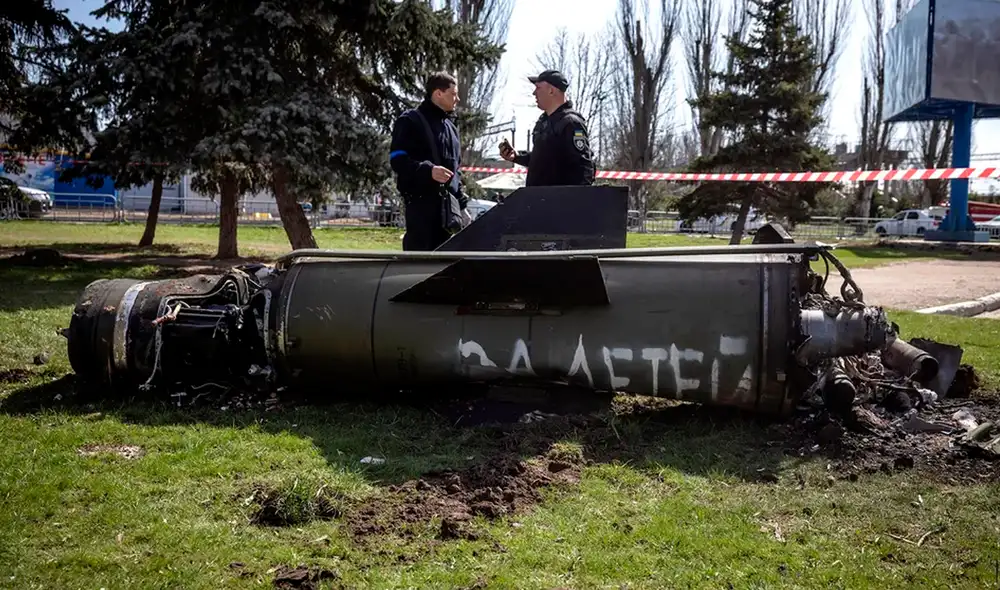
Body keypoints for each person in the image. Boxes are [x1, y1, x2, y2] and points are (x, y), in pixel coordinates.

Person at [389, 71, 473, 251]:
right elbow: (397, 160)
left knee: (445, 264)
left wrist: (462, 205)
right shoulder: (410, 121)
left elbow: (455, 171)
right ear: (438, 93)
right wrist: (428, 171)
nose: (457, 99)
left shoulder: (451, 128)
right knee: (419, 263)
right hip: (421, 206)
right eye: (453, 94)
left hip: (448, 209)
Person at [498, 69, 596, 187]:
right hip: (539, 199)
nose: (534, 93)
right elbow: (544, 161)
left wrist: (576, 201)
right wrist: (517, 157)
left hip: (558, 201)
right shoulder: (543, 122)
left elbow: (583, 167)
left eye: (538, 88)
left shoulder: (571, 123)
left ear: (551, 91)